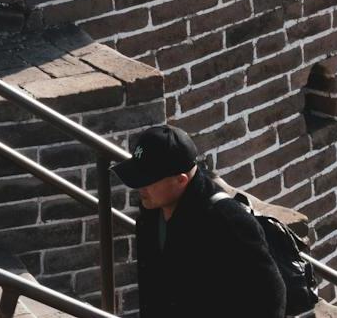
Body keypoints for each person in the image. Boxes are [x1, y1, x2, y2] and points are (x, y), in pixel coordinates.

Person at [114, 124, 287, 318]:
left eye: (148, 180)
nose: (140, 188)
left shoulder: (227, 221)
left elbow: (270, 299)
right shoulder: (152, 212)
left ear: (181, 180)